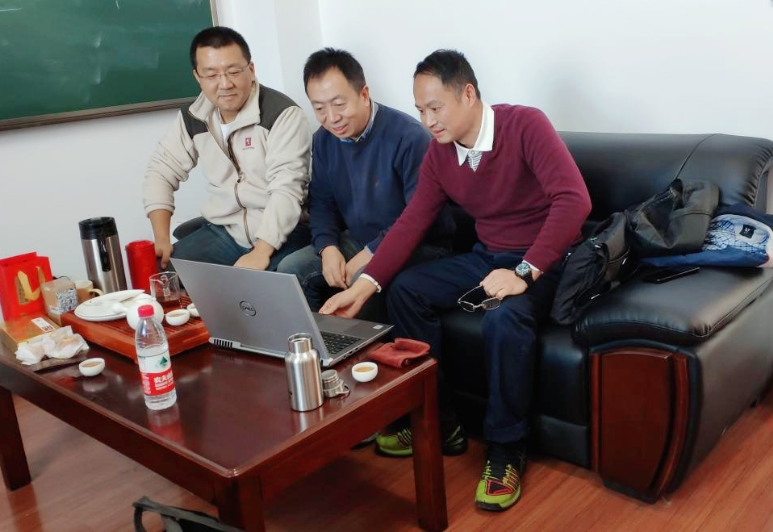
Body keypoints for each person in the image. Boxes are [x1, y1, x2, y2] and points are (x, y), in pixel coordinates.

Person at [320, 50, 592, 511]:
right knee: (407, 290)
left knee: (504, 318)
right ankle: (440, 422)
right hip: (488, 256)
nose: (428, 121)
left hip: (547, 260)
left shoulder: (525, 125)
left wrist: (525, 272)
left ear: (467, 94)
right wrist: (361, 288)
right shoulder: (440, 154)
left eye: (435, 107)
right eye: (420, 110)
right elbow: (412, 222)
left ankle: (506, 450)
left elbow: (574, 200)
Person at [277, 48, 453, 310]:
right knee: (291, 269)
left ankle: (354, 338)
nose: (332, 118)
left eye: (339, 104)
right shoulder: (323, 140)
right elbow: (322, 203)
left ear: (364, 94)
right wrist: (327, 247)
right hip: (361, 239)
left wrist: (370, 254)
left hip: (419, 243)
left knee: (362, 281)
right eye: (319, 108)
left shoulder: (408, 137)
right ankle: (317, 336)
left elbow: (418, 219)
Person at [143, 26, 312, 271]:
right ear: (197, 77)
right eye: (211, 75)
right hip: (226, 232)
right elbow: (160, 172)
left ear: (251, 70)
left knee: (260, 285)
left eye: (233, 72)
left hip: (283, 233)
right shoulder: (194, 116)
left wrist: (261, 252)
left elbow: (287, 189)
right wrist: (161, 238)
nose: (224, 84)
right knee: (166, 271)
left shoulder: (282, 114)